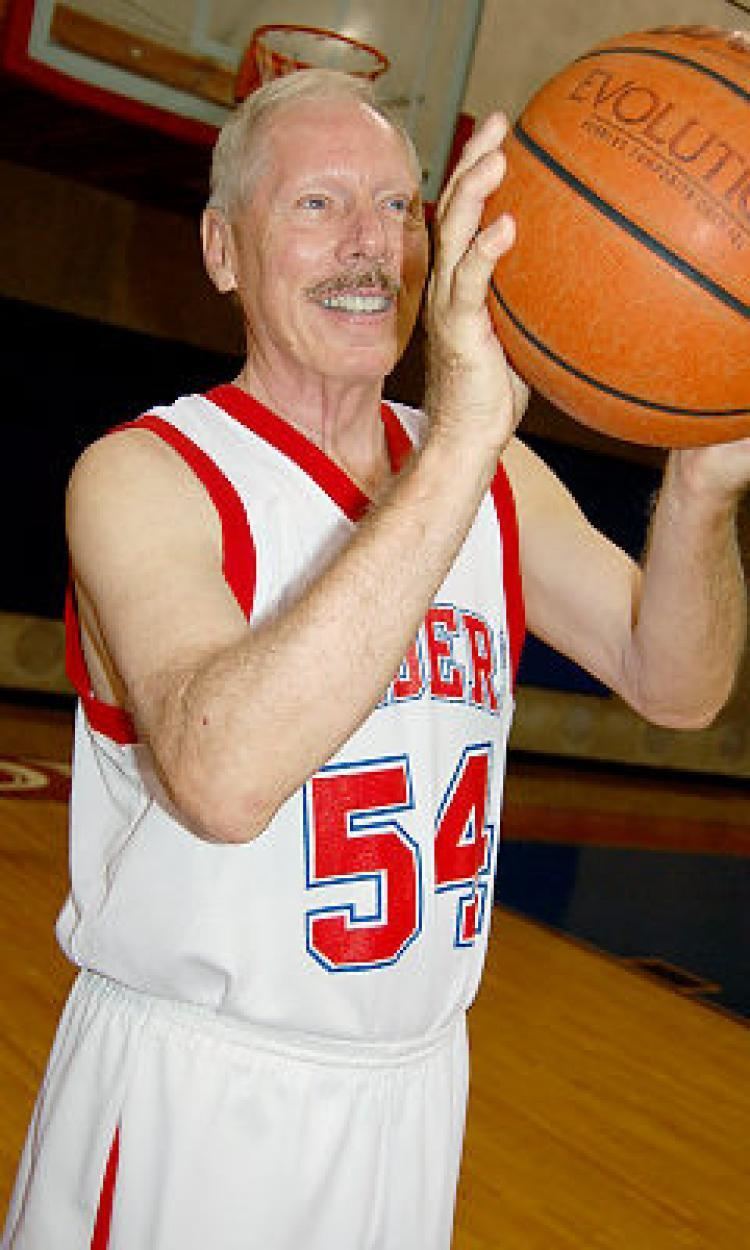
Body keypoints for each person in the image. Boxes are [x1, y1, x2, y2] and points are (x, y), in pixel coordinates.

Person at [3, 68, 747, 1250]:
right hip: (197, 1096)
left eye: (402, 209)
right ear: (221, 249)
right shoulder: (148, 476)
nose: (373, 246)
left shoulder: (496, 479)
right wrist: (460, 435)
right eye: (318, 206)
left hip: (411, 1092)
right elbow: (223, 774)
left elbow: (680, 684)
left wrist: (704, 488)